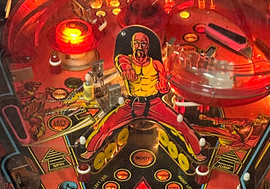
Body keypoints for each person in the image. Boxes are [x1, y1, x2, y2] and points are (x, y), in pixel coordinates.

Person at [83, 27, 202, 159]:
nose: (140, 47)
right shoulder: (126, 60)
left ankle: (198, 154)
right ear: (132, 45)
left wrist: (163, 88)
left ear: (147, 47)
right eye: (137, 43)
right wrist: (126, 68)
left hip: (154, 104)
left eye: (143, 44)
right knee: (106, 126)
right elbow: (120, 59)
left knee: (182, 126)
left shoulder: (156, 64)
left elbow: (165, 87)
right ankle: (88, 153)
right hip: (131, 104)